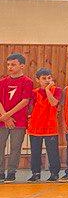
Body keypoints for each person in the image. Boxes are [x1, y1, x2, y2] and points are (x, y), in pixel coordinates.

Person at [0, 52, 34, 183]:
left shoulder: (27, 82)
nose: (10, 67)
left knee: (15, 148)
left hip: (18, 121)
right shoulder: (2, 82)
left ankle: (11, 172)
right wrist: (4, 116)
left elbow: (25, 101)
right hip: (2, 120)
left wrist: (8, 115)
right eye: (8, 64)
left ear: (22, 66)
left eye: (13, 64)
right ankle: (0, 172)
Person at [26, 68, 60, 183]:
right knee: (35, 152)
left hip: (50, 126)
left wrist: (47, 90)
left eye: (49, 78)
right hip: (36, 126)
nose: (47, 80)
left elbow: (53, 103)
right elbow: (30, 109)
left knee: (53, 152)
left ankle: (54, 173)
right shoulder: (34, 93)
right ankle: (36, 173)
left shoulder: (57, 90)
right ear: (38, 80)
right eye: (44, 78)